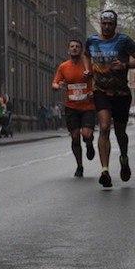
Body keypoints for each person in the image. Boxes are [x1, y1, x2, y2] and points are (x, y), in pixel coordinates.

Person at [83, 10, 135, 187]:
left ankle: (124, 158)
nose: (107, 27)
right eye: (104, 24)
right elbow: (86, 54)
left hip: (121, 93)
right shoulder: (92, 40)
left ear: (115, 25)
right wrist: (88, 70)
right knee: (104, 127)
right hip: (101, 90)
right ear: (101, 24)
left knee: (120, 132)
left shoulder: (124, 41)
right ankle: (105, 171)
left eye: (110, 24)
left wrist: (126, 65)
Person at [52, 38, 97, 178]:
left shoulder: (89, 65)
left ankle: (89, 144)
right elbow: (55, 83)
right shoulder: (63, 67)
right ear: (68, 50)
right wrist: (58, 86)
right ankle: (79, 166)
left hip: (88, 106)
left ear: (81, 50)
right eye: (72, 46)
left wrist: (94, 91)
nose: (74, 48)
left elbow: (99, 80)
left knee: (87, 134)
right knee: (75, 137)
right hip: (71, 107)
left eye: (77, 46)